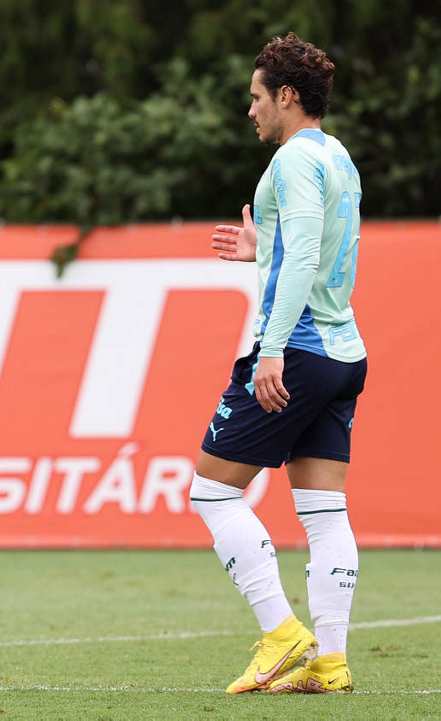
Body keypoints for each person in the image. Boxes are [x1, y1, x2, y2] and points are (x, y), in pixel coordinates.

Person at [193, 33, 364, 694]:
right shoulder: (338, 155)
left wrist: (271, 350)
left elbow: (304, 258)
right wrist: (262, 248)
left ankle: (283, 633)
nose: (251, 110)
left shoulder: (292, 159)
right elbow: (320, 247)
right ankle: (331, 662)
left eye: (257, 97)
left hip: (298, 349)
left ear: (287, 96)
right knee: (324, 512)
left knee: (212, 491)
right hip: (344, 351)